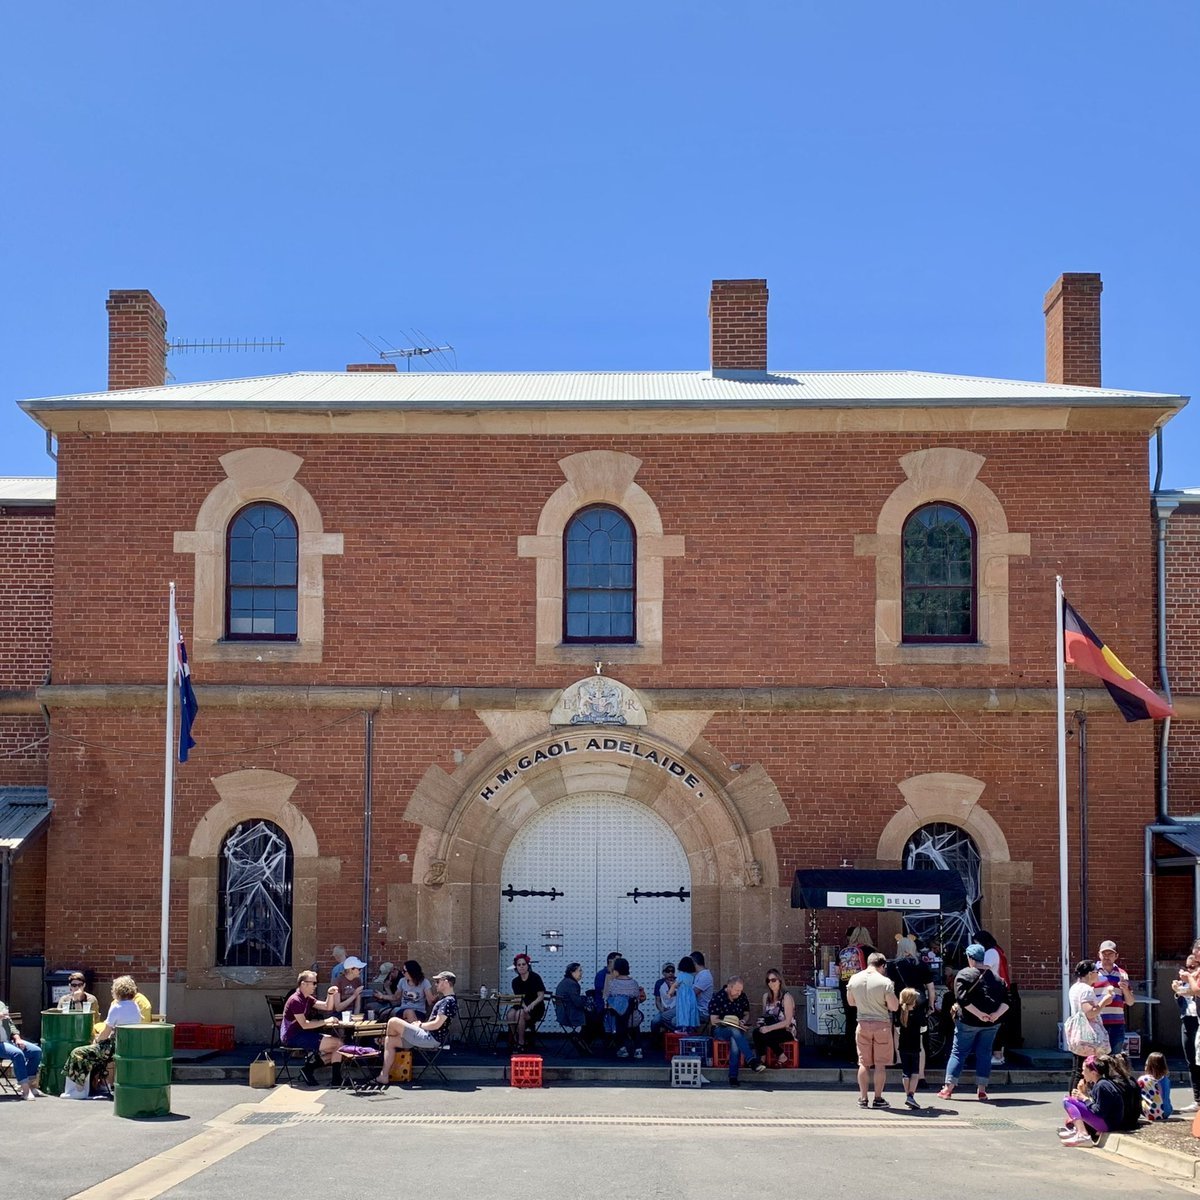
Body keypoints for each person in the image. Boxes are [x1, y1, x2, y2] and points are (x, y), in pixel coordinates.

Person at [938, 943, 1009, 1102]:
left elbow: (962, 1000)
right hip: (992, 1023)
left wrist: (980, 1014)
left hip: (968, 1022)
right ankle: (982, 1089)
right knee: (984, 1053)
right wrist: (995, 1015)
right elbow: (1006, 1001)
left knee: (958, 1052)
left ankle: (948, 1088)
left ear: (970, 958)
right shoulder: (998, 979)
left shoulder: (963, 975)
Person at [62, 976, 145, 1098]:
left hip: (113, 1047)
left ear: (117, 991)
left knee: (78, 1052)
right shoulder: (135, 1006)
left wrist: (96, 1040)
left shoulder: (116, 1007)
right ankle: (91, 1085)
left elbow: (105, 1033)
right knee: (89, 1053)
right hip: (128, 1045)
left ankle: (78, 1090)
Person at [374, 971, 458, 1085]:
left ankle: (381, 1042)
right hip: (427, 1035)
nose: (435, 984)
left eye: (438, 981)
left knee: (393, 1021)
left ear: (446, 982)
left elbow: (437, 1024)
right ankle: (384, 1075)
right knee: (390, 1041)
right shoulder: (448, 1000)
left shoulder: (448, 1001)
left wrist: (419, 1025)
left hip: (431, 1038)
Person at [846, 951, 899, 1108]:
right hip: (881, 1024)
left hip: (862, 1023)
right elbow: (893, 1006)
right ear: (882, 965)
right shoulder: (885, 982)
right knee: (880, 1064)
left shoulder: (854, 979)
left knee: (863, 1063)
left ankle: (863, 1098)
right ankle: (878, 1098)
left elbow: (851, 1002)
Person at [281, 969, 345, 1088]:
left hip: (302, 1034)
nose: (315, 986)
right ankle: (335, 1079)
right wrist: (325, 1021)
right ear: (303, 984)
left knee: (339, 1047)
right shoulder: (296, 1000)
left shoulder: (307, 998)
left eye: (316, 983)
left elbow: (327, 1006)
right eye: (313, 983)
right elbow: (304, 1024)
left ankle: (309, 1069)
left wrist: (330, 994)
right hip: (292, 1036)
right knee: (338, 1044)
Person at [1059, 1053, 1141, 1146]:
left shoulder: (1102, 1086)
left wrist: (1084, 1098)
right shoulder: (1101, 1083)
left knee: (1067, 1101)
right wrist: (1082, 1097)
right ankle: (1078, 1131)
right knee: (1073, 1101)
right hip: (1109, 1121)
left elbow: (1099, 1111)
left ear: (1093, 1073)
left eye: (1084, 1070)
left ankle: (1083, 1135)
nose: (1082, 1073)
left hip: (1109, 1124)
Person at [886, 936, 935, 1086]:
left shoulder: (894, 965)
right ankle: (920, 1075)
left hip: (902, 1004)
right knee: (919, 1039)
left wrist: (890, 1005)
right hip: (919, 1005)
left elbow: (890, 988)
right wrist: (931, 1004)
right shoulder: (922, 964)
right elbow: (931, 988)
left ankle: (900, 1061)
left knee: (898, 1031)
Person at [708, 975, 765, 1086]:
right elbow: (713, 1021)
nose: (739, 993)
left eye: (740, 990)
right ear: (729, 987)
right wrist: (727, 1022)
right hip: (720, 1030)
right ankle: (751, 1061)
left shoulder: (742, 996)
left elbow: (746, 1014)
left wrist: (743, 1021)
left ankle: (733, 1076)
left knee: (735, 1038)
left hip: (737, 1029)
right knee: (734, 1031)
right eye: (737, 990)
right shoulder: (718, 997)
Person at [1067, 960, 1113, 1090]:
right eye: (1096, 972)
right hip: (1089, 1035)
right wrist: (1104, 1001)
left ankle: (1073, 1101)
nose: (1098, 974)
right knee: (1088, 1069)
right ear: (1090, 973)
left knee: (1077, 1069)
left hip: (1077, 1032)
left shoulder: (1074, 988)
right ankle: (1082, 1100)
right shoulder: (1086, 989)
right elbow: (1090, 1012)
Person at [1094, 939, 1135, 1055]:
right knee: (1098, 1061)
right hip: (1098, 1023)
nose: (1107, 957)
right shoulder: (1092, 972)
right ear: (1099, 954)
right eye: (1104, 953)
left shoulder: (1122, 974)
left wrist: (1125, 989)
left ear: (1116, 956)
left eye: (1110, 954)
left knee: (1115, 1060)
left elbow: (1131, 1002)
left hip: (1117, 1024)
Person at [976, 929, 1010, 1066]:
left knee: (995, 1023)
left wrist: (972, 966)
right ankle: (998, 1054)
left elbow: (985, 968)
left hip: (993, 990)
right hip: (998, 989)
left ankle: (997, 1054)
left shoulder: (990, 952)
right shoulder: (997, 950)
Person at [1171, 954, 1200, 1111]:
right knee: (1191, 1061)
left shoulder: (1195, 981)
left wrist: (1183, 988)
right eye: (1187, 967)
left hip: (1198, 1020)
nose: (1189, 971)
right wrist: (1177, 991)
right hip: (1187, 1020)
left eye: (1192, 967)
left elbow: (1194, 992)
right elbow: (1182, 999)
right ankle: (1197, 1099)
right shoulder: (1186, 982)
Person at [752, 968, 797, 1066]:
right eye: (768, 981)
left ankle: (781, 1055)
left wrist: (768, 1028)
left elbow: (787, 1022)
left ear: (780, 980)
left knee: (766, 1034)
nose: (771, 983)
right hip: (771, 1027)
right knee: (757, 1032)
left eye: (773, 980)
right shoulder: (766, 997)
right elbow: (765, 1015)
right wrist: (761, 1023)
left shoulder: (786, 997)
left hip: (786, 1029)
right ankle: (762, 1058)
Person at [603, 956, 645, 1059]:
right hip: (632, 1019)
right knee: (635, 1021)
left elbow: (607, 999)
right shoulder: (634, 983)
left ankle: (622, 1048)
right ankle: (638, 1049)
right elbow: (638, 1000)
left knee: (612, 1017)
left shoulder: (613, 984)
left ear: (616, 971)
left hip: (618, 1021)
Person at [0, 1001, 43, 1100]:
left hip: (8, 1041)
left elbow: (10, 1025)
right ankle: (26, 1091)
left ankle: (30, 1085)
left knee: (35, 1051)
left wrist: (18, 1039)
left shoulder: (1, 1005)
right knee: (17, 1053)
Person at [507, 953, 546, 1051]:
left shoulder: (535, 977)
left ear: (528, 965)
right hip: (522, 1004)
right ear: (516, 967)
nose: (521, 967)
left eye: (523, 964)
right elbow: (519, 997)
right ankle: (515, 1039)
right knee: (510, 1014)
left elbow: (541, 996)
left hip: (536, 1006)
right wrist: (524, 1007)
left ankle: (521, 1042)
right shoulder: (515, 981)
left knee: (519, 1014)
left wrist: (531, 1006)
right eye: (519, 965)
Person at [896, 988, 924, 1109]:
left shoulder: (900, 1012)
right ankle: (911, 1095)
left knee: (905, 1072)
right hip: (915, 1044)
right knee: (915, 1072)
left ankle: (907, 1094)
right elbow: (924, 1028)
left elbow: (897, 1028)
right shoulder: (918, 1013)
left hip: (903, 1045)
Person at [669, 956, 700, 1033]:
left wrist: (670, 993)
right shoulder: (692, 976)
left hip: (683, 997)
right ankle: (690, 1028)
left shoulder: (681, 975)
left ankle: (683, 1029)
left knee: (682, 1012)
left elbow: (674, 985)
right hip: (691, 996)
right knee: (690, 1012)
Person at [1138, 1051, 1172, 1121]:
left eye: (1146, 1065)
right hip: (1167, 1111)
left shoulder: (1144, 1079)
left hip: (1153, 1113)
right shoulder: (1166, 1080)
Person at [555, 962, 589, 1027]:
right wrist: (585, 999)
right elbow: (578, 1003)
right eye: (580, 970)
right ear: (572, 972)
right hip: (569, 1015)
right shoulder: (572, 984)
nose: (581, 973)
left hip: (562, 1013)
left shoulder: (565, 982)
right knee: (593, 1015)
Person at [652, 962, 677, 1036]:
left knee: (674, 1021)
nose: (670, 973)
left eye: (672, 971)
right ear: (663, 973)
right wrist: (662, 1010)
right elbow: (657, 1000)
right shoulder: (659, 983)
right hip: (664, 1010)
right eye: (667, 971)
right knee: (654, 1021)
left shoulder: (678, 982)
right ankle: (656, 1041)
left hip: (675, 1010)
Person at [690, 951, 715, 1020]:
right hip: (695, 1008)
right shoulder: (698, 975)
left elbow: (692, 993)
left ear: (694, 962)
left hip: (702, 1011)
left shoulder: (705, 976)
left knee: (675, 1020)